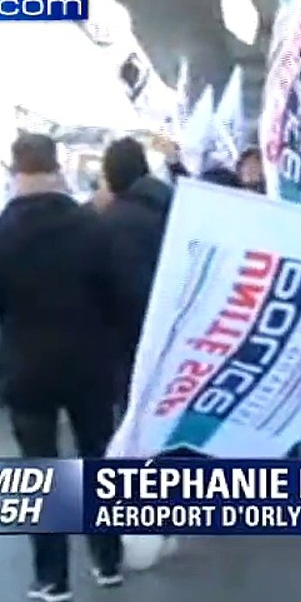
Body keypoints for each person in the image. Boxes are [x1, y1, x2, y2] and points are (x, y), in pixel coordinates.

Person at [0, 133, 125, 602]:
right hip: (90, 363)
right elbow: (120, 296)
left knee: (39, 468)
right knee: (98, 459)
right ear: (57, 168)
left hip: (27, 367)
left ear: (15, 172)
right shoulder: (96, 228)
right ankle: (108, 560)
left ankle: (53, 578)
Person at [97, 137, 174, 418]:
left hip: (133, 337)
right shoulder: (172, 202)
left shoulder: (114, 221)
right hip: (176, 325)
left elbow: (125, 287)